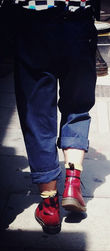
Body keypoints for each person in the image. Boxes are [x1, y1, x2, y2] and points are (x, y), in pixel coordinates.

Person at [1, 0, 97, 234]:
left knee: (37, 116)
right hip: (77, 26)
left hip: (33, 26)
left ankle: (50, 206)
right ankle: (73, 187)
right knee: (77, 108)